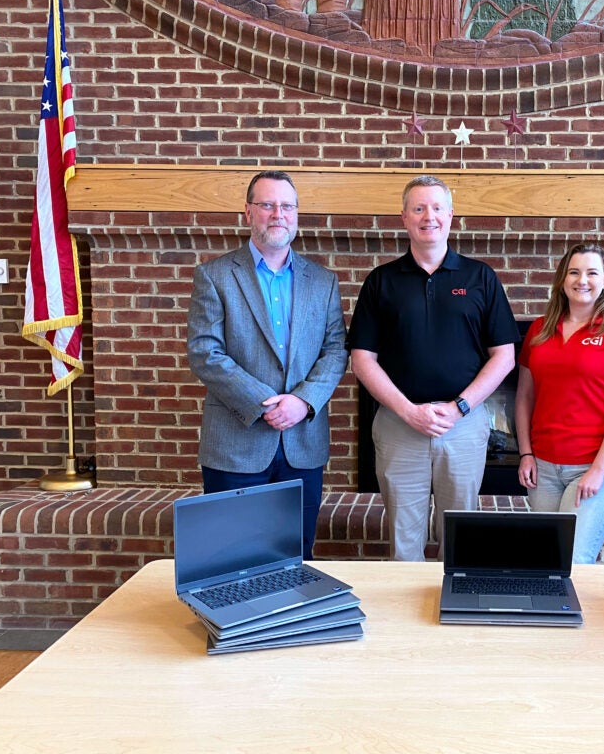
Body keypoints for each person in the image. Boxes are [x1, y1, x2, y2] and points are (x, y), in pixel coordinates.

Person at [348, 175, 519, 561]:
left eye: (437, 207)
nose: (429, 216)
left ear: (451, 216)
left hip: (463, 424)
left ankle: (453, 614)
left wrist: (459, 407)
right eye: (419, 208)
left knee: (459, 539)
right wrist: (409, 411)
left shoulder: (481, 278)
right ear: (404, 218)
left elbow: (504, 356)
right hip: (398, 425)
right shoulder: (381, 281)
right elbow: (362, 360)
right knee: (403, 542)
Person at [186, 170, 348, 560]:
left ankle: (292, 623)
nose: (278, 213)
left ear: (296, 215)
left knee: (296, 555)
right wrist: (265, 401)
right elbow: (205, 352)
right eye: (268, 205)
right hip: (236, 444)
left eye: (287, 206)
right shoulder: (215, 275)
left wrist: (303, 402)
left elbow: (336, 350)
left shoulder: (322, 281)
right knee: (230, 557)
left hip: (302, 444)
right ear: (248, 212)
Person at [514, 244, 604, 563]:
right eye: (574, 272)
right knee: (544, 558)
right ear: (562, 280)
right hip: (543, 467)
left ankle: (577, 614)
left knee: (572, 559)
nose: (581, 280)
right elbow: (524, 398)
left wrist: (598, 470)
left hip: (593, 465)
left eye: (591, 273)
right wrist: (525, 453)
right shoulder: (539, 330)